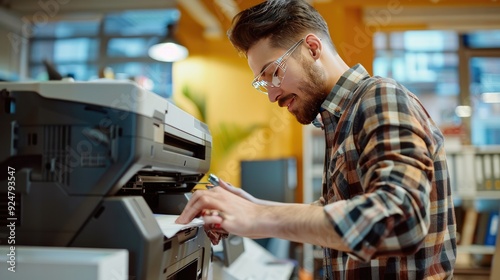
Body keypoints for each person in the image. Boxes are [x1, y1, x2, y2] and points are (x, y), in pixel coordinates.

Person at [176, 0, 457, 278]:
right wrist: (254, 209)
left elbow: (399, 220)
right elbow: (339, 212)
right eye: (263, 83)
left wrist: (260, 217)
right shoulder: (340, 118)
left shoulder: (380, 97)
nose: (272, 95)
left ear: (312, 48)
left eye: (274, 73)